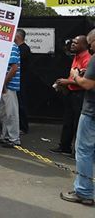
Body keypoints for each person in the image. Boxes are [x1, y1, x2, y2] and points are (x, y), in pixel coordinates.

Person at [60, 28, 95, 206]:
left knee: (84, 152)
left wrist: (75, 77)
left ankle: (84, 191)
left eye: (90, 43)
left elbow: (87, 83)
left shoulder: (93, 59)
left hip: (91, 111)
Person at [51, 36, 91, 155]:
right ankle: (64, 147)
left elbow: (85, 81)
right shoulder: (76, 57)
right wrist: (64, 84)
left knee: (78, 123)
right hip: (71, 93)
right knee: (68, 121)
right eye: (72, 42)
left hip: (81, 94)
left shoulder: (87, 59)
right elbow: (73, 75)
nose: (72, 44)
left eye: (76, 43)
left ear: (84, 45)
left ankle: (78, 151)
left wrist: (67, 82)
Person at [0, 42, 21, 147]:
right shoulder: (4, 45)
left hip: (8, 86)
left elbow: (14, 68)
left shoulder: (11, 46)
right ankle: (6, 136)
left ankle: (14, 139)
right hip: (4, 86)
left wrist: (4, 84)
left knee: (11, 113)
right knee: (3, 113)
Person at [15, 28, 31, 134]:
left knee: (21, 103)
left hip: (21, 80)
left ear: (18, 37)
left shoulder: (24, 49)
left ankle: (23, 127)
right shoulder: (19, 48)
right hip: (18, 80)